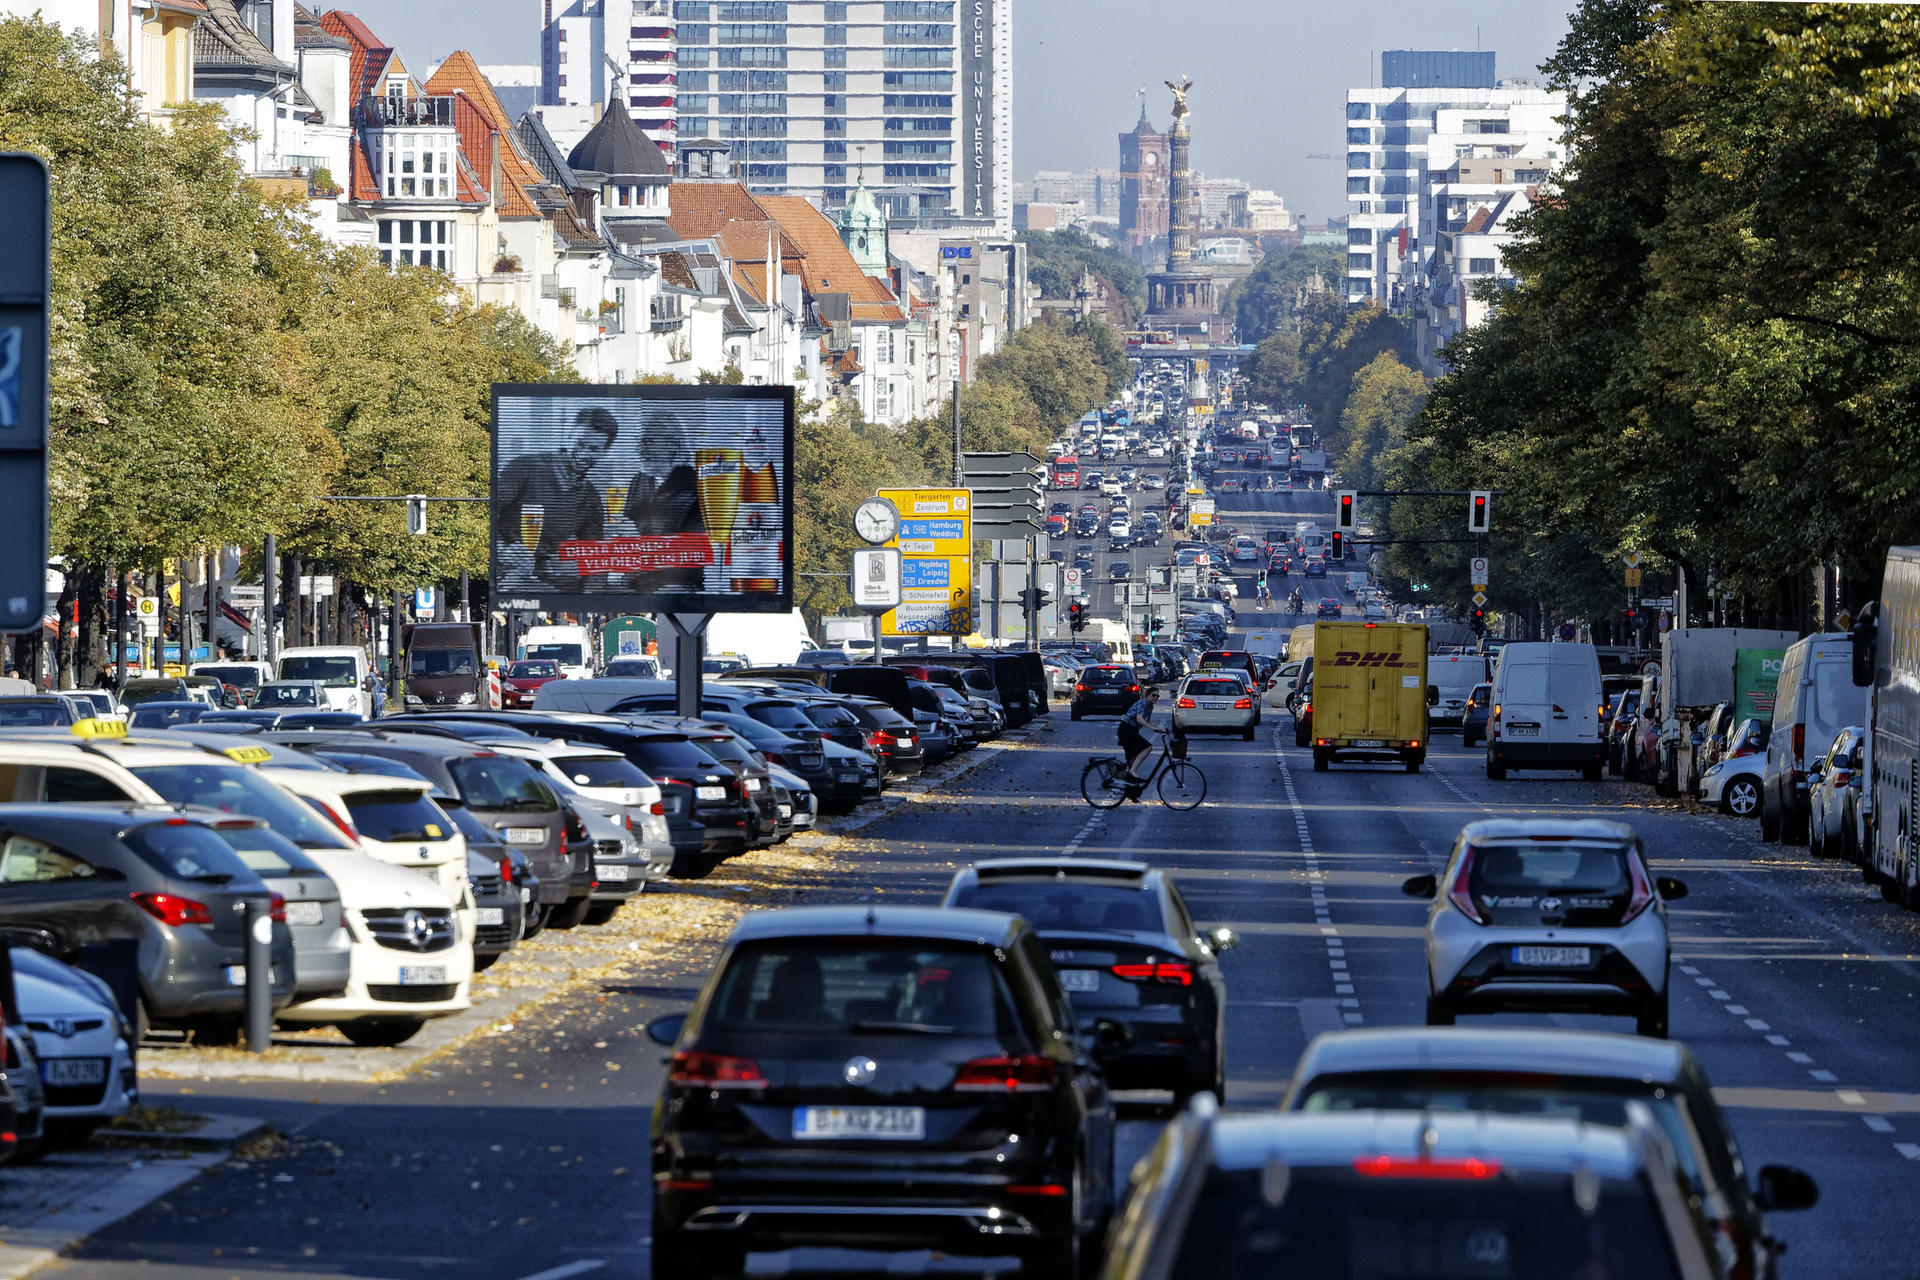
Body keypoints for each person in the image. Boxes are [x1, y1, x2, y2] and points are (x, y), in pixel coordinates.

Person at [495, 406, 619, 588]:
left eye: (593, 449)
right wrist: (501, 549)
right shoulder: (525, 468)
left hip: (546, 584)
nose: (583, 454)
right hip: (503, 573)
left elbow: (596, 561)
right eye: (580, 444)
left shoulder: (591, 498)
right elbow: (485, 512)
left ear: (604, 453)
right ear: (569, 436)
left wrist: (589, 599)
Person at [1118, 685, 1164, 799]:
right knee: (1147, 747)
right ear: (1146, 695)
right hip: (1126, 729)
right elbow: (1140, 719)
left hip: (1132, 731)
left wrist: (1159, 728)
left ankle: (1131, 793)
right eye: (1153, 695)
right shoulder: (1143, 703)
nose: (1155, 698)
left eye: (1157, 696)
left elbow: (1147, 720)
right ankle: (1132, 771)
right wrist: (1153, 729)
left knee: (1132, 760)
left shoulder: (1150, 706)